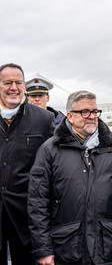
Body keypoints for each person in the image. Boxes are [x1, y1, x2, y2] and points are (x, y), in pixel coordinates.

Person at [27, 90, 112, 265]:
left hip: (107, 247)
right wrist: (43, 249)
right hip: (65, 248)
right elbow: (37, 202)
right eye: (85, 112)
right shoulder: (50, 150)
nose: (92, 116)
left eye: (95, 112)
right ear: (70, 116)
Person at [0, 63, 55, 265]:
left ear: (24, 86)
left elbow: (54, 166)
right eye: (7, 83)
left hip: (26, 216)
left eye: (18, 83)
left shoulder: (44, 119)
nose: (13, 87)